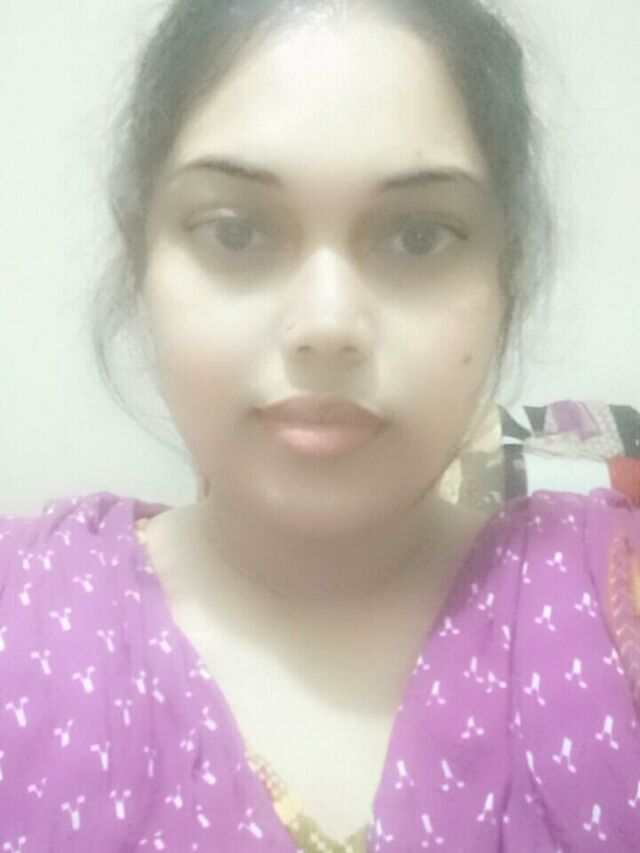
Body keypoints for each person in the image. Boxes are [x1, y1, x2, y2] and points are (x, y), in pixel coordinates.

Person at [1, 0, 638, 850]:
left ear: (506, 276)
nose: (327, 324)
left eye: (419, 236)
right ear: (140, 259)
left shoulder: (611, 602)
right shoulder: (26, 619)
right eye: (236, 231)